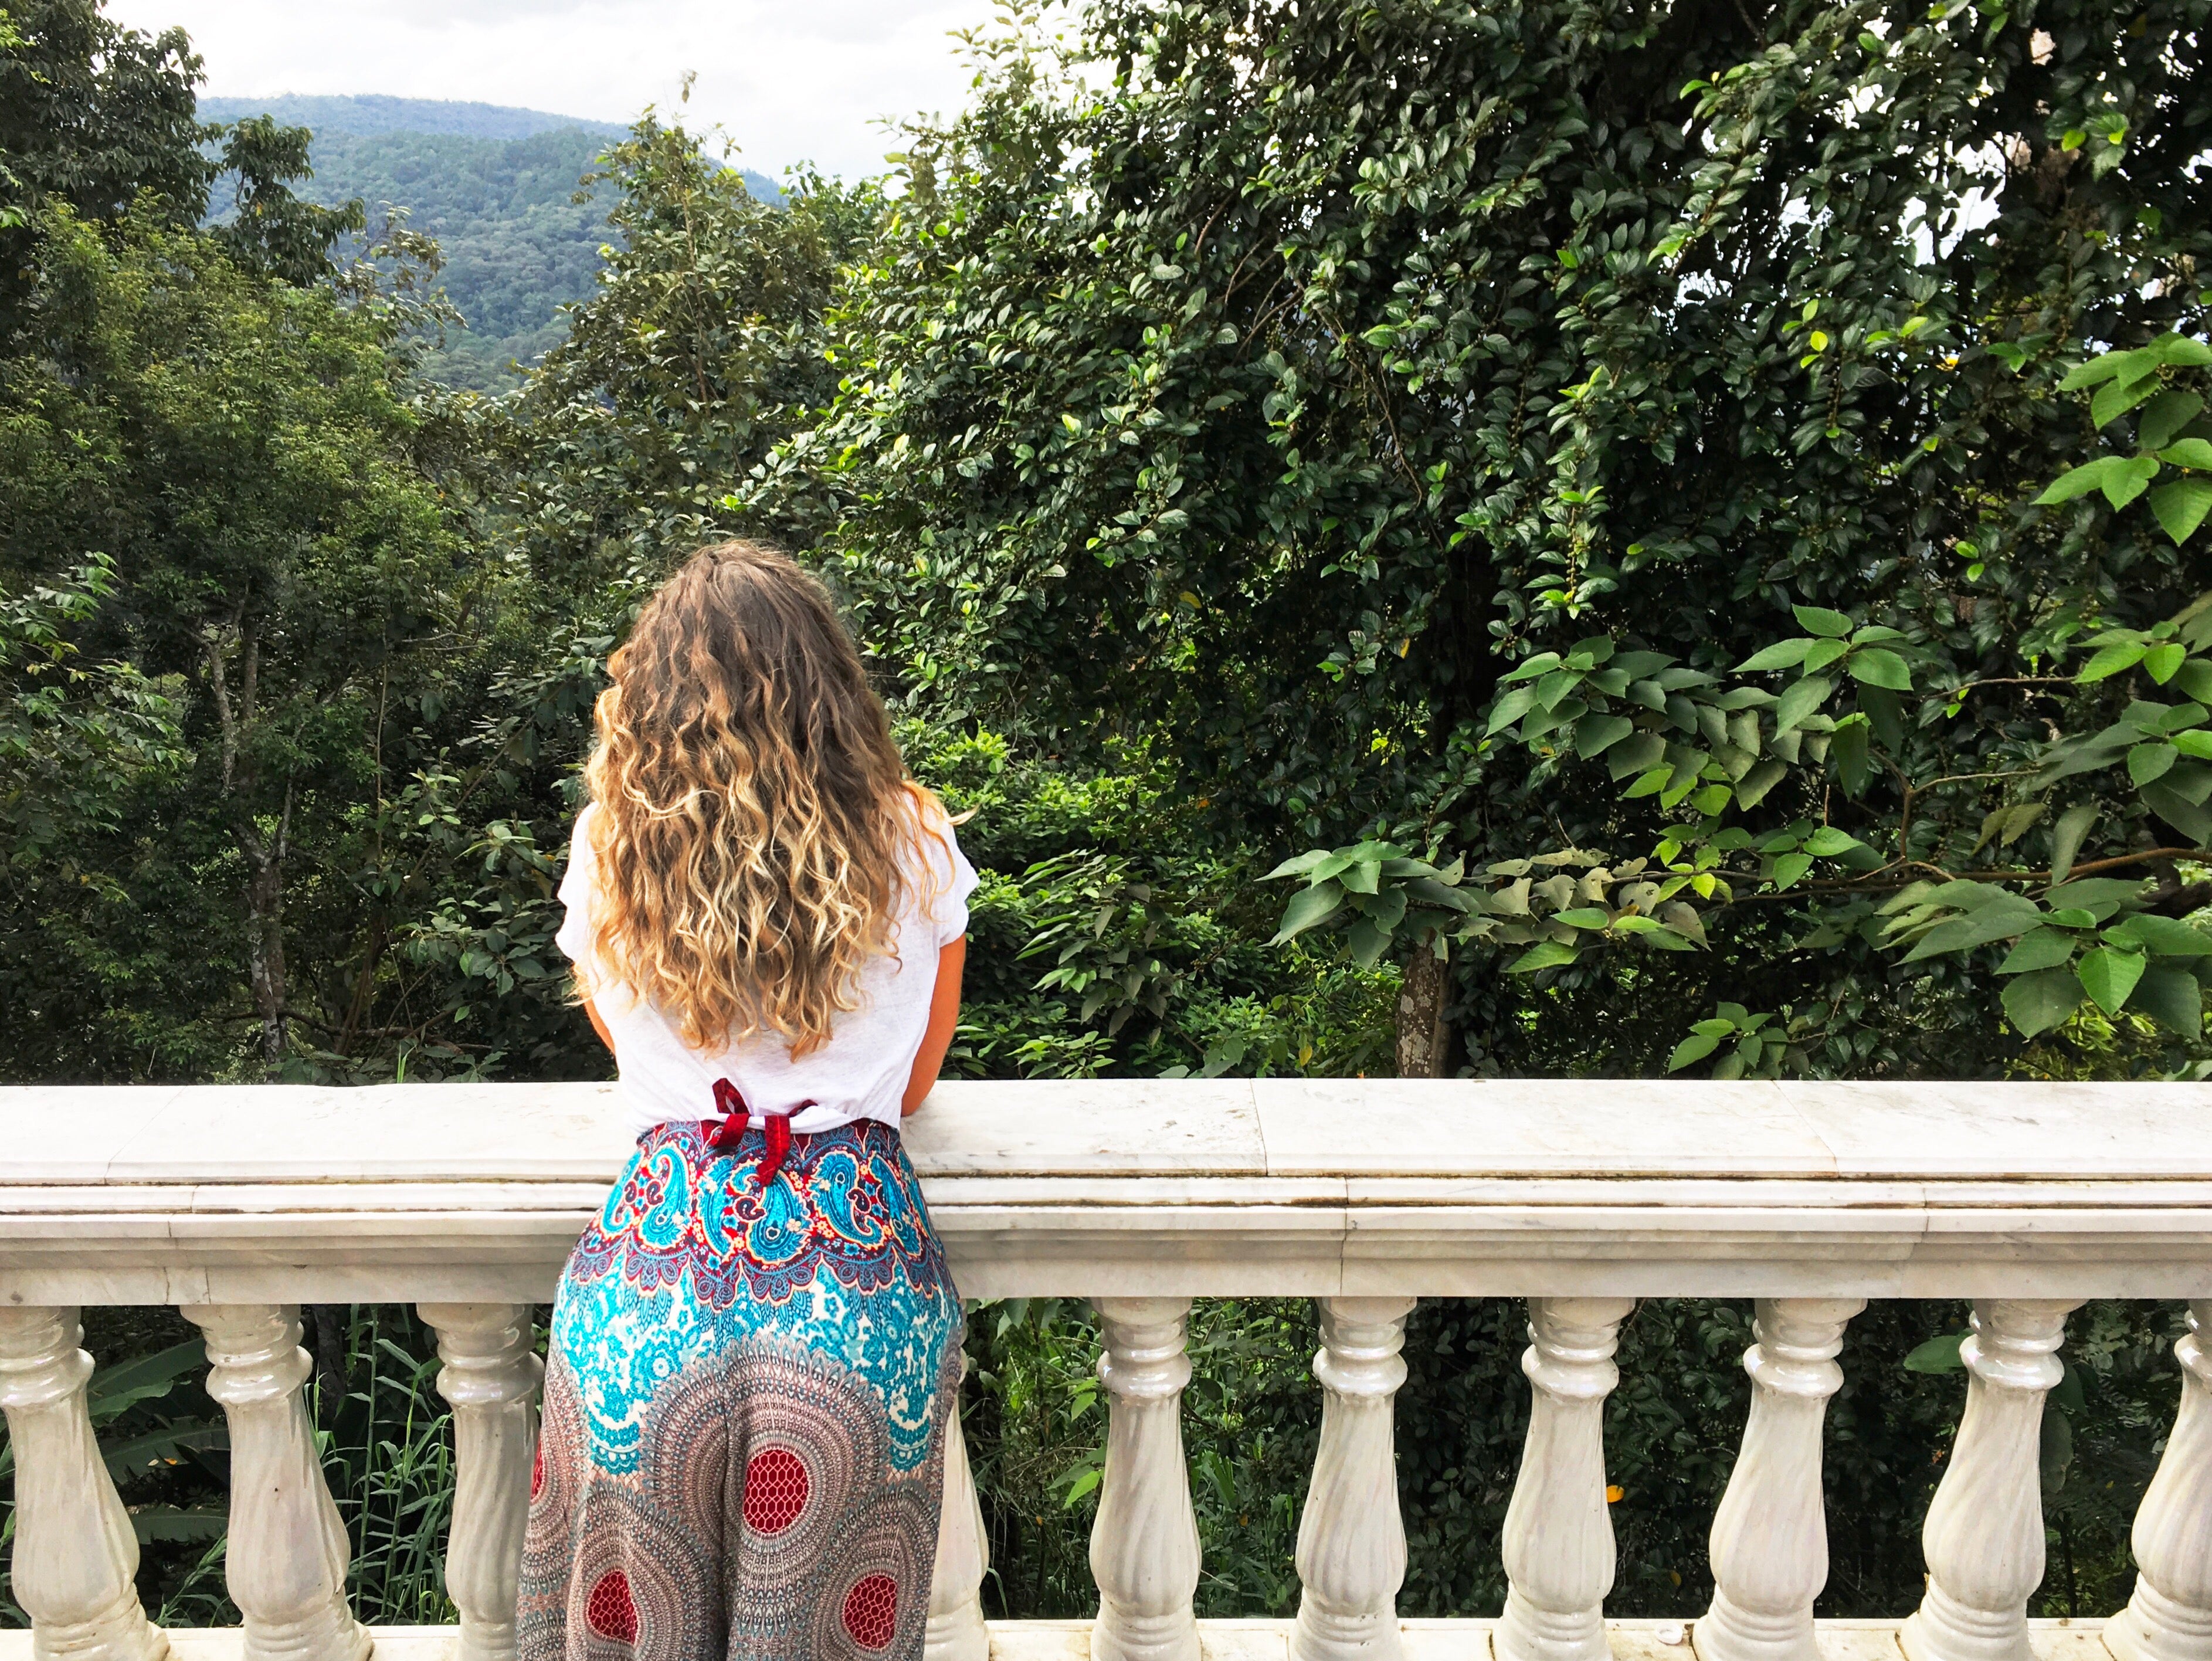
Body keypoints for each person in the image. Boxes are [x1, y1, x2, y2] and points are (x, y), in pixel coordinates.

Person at [518, 540, 976, 1660]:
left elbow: (626, 1042)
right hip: (856, 1316)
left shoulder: (609, 846)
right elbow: (913, 1081)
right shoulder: (915, 841)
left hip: (647, 1304)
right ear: (833, 687)